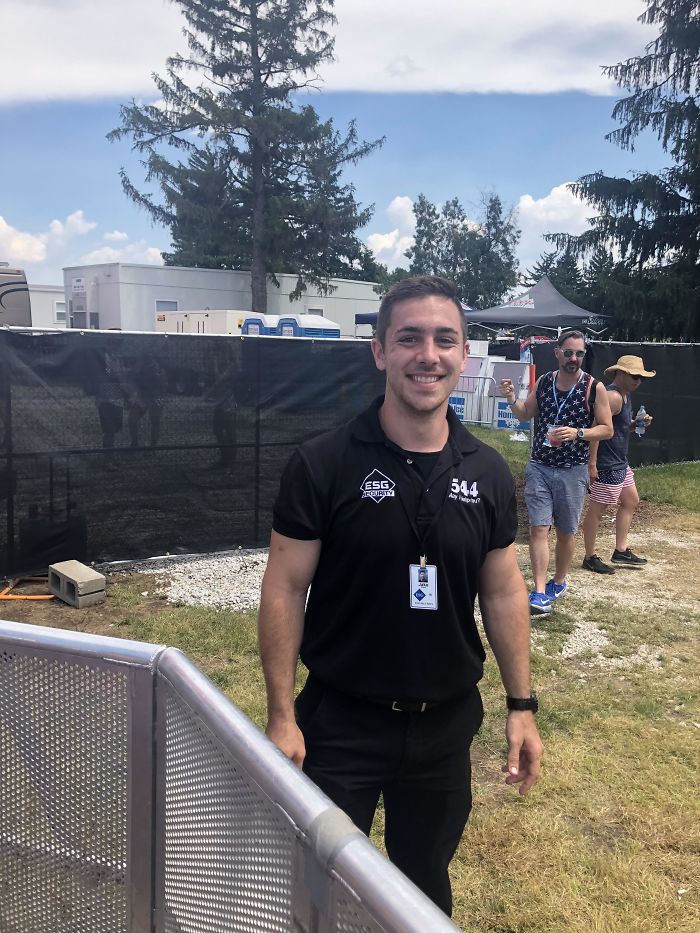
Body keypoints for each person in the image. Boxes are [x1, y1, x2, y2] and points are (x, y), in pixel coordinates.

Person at [258, 275, 543, 917]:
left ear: (463, 356)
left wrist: (521, 706)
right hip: (340, 724)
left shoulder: (488, 470)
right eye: (409, 338)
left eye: (445, 340)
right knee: (318, 890)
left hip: (444, 727)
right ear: (380, 352)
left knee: (422, 889)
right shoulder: (324, 463)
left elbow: (502, 592)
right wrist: (282, 716)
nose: (428, 355)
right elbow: (284, 586)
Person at [499, 331, 613, 616]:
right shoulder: (544, 382)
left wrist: (578, 433)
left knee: (565, 532)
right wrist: (512, 399)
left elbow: (607, 428)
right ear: (558, 353)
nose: (574, 358)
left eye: (579, 354)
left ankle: (559, 581)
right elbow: (525, 414)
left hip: (572, 471)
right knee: (538, 528)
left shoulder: (593, 387)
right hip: (539, 466)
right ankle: (538, 592)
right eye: (569, 352)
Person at [581, 355, 655, 573]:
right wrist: (592, 464)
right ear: (620, 373)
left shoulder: (624, 395)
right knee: (597, 510)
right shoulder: (613, 396)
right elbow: (597, 429)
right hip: (607, 464)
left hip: (619, 462)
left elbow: (617, 429)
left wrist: (634, 424)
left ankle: (620, 550)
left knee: (631, 500)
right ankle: (589, 556)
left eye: (641, 377)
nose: (638, 381)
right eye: (634, 376)